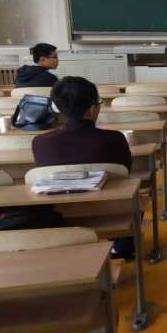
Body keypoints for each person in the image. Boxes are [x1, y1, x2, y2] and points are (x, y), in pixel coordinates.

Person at [32, 76, 134, 257]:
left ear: (58, 108)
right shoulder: (115, 138)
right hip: (110, 210)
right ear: (93, 109)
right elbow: (125, 173)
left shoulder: (40, 143)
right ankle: (121, 247)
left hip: (59, 213)